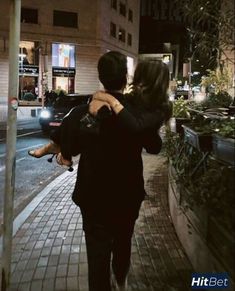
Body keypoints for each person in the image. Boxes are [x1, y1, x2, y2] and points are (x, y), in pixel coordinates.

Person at [29, 51, 172, 291]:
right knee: (123, 241)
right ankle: (121, 278)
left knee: (97, 257)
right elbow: (153, 144)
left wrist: (64, 150)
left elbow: (73, 146)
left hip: (94, 196)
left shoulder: (86, 111)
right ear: (126, 78)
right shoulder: (136, 111)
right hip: (127, 195)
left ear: (100, 76)